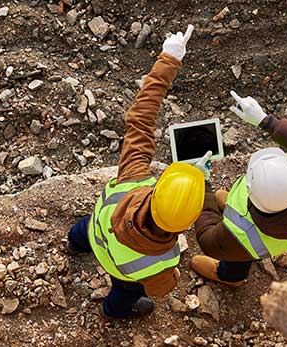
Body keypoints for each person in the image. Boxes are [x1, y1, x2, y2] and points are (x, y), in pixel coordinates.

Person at [67, 25, 211, 319]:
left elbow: (141, 117)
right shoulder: (164, 259)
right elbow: (160, 288)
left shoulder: (134, 178)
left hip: (97, 230)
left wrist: (169, 58)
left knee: (82, 231)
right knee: (126, 293)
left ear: (158, 188)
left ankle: (74, 244)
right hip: (121, 271)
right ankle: (114, 311)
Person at [191, 91, 287, 287]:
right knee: (242, 246)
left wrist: (203, 185)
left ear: (249, 192)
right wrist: (265, 120)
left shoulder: (240, 235)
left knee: (238, 256)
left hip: (246, 242)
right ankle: (229, 210)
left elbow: (206, 237)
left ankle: (231, 277)